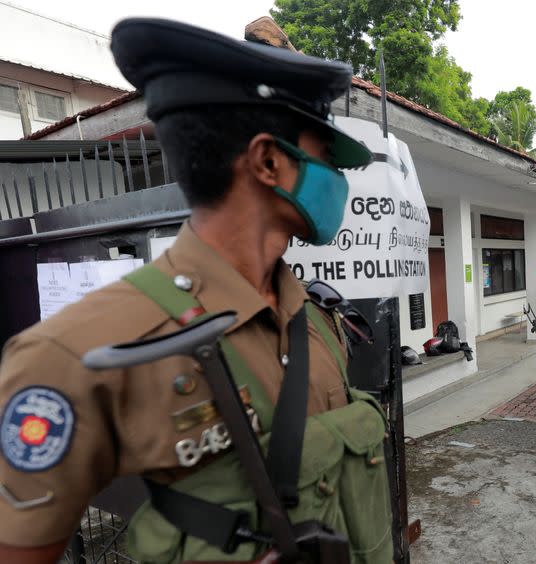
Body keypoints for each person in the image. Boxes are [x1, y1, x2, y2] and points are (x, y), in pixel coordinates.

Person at [0, 18, 393, 563]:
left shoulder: (315, 317)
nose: (340, 178)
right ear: (268, 161)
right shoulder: (69, 356)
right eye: (325, 153)